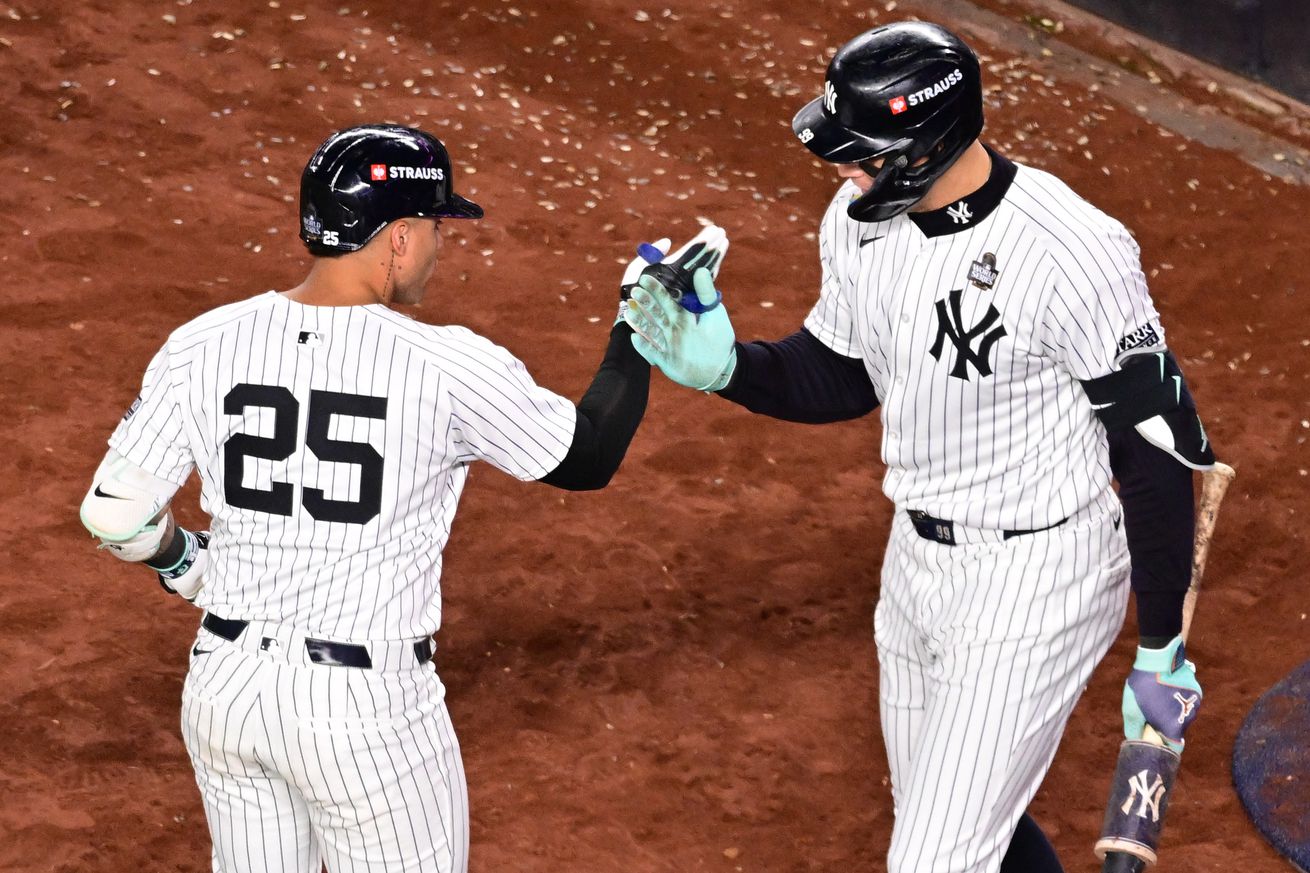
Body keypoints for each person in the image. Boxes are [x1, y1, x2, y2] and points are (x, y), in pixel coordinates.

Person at [622, 21, 1213, 873]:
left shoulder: (1072, 252)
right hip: (916, 562)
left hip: (1035, 579)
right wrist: (728, 369)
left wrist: (1161, 646)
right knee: (962, 822)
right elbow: (844, 370)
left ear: (925, 145)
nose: (841, 170)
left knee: (934, 860)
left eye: (861, 153)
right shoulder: (861, 222)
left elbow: (1153, 450)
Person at [78, 123, 725, 873]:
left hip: (225, 692)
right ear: (397, 238)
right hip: (364, 717)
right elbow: (586, 457)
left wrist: (188, 562)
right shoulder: (443, 364)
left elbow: (113, 515)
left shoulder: (202, 342)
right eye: (435, 226)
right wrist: (633, 326)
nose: (439, 246)